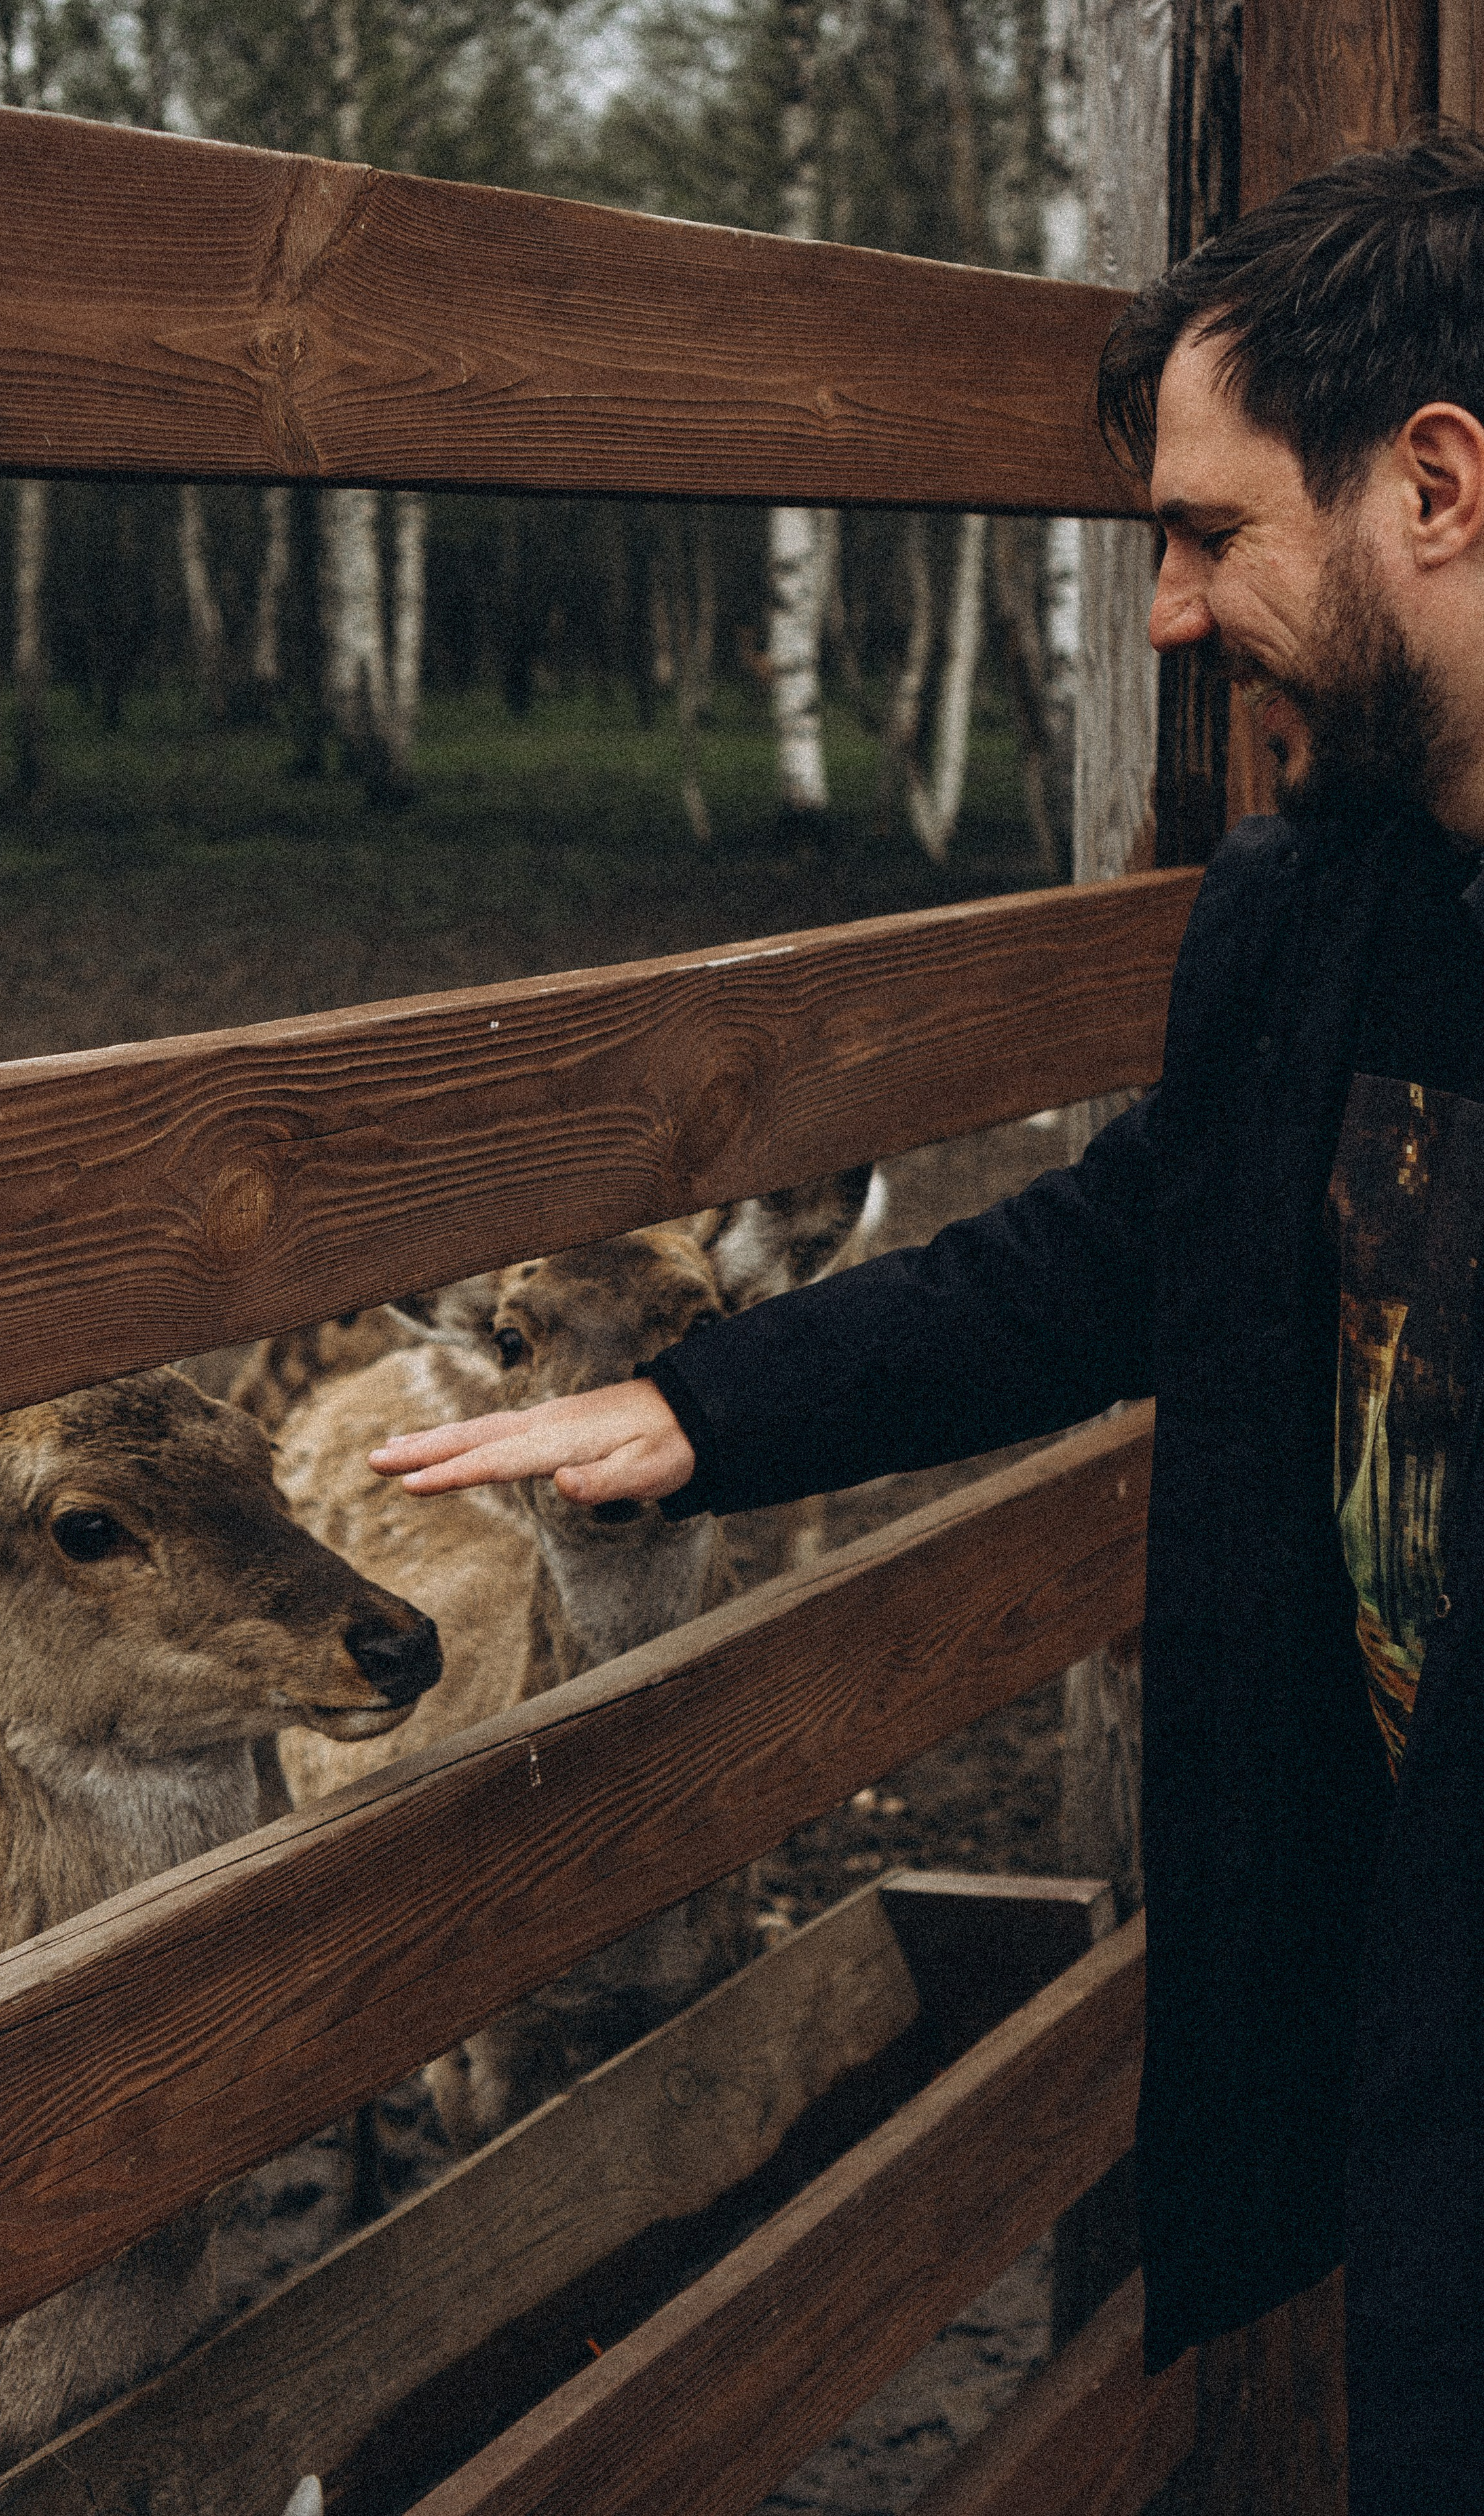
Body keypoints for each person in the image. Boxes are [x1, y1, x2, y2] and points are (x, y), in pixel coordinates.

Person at [372, 134, 1484, 2511]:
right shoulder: (1318, 917)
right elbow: (1126, 1250)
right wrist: (700, 1405)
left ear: (1438, 485)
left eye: (1208, 535)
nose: (1173, 613)